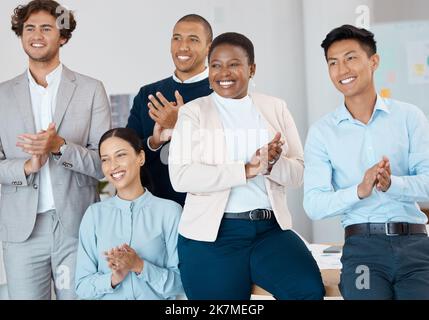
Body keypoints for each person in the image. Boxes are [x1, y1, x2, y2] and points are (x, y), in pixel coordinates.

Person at [169, 32, 324, 300]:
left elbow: (298, 173)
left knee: (308, 292)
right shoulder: (193, 113)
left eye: (234, 64)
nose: (223, 73)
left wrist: (272, 164)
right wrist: (247, 170)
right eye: (216, 65)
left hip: (268, 231)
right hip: (212, 236)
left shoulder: (275, 107)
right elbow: (181, 177)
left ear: (251, 69)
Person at [303, 25, 429, 300]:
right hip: (363, 248)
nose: (342, 70)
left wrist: (391, 184)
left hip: (415, 246)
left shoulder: (410, 117)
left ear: (374, 61)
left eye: (350, 58)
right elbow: (313, 203)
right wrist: (359, 190)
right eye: (333, 63)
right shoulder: (322, 132)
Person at [0, 0, 111, 299]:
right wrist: (26, 167)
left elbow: (104, 165)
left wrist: (61, 147)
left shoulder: (91, 89)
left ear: (62, 36)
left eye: (46, 28)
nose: (37, 34)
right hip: (22, 231)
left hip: (77, 227)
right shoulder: (1, 95)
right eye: (30, 28)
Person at [75, 128, 183, 300]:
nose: (113, 165)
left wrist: (139, 266)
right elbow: (82, 287)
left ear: (140, 157)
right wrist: (114, 278)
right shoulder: (94, 215)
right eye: (105, 159)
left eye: (121, 155)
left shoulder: (170, 212)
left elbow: (181, 283)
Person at [127, 14, 213, 207]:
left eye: (193, 39)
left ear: (209, 46)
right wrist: (154, 142)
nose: (183, 47)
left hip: (208, 211)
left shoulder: (222, 93)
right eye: (177, 38)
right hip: (155, 212)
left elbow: (228, 153)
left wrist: (180, 125)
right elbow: (128, 152)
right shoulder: (147, 94)